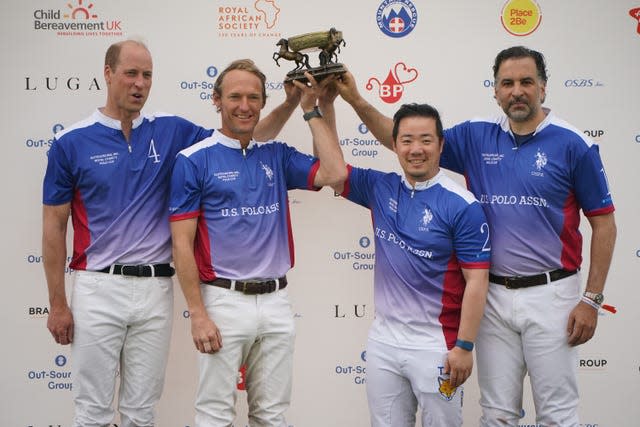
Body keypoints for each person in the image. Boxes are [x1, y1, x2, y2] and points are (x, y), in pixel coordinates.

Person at [334, 46, 617, 426]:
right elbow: (407, 139)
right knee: (497, 412)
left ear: (544, 88)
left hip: (553, 296)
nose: (517, 91)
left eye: (526, 82)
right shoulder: (476, 137)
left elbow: (604, 222)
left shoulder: (573, 144)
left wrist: (592, 300)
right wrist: (354, 99)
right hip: (493, 296)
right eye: (507, 83)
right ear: (496, 91)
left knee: (558, 414)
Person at [42, 39, 300, 427]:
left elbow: (243, 132)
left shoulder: (172, 131)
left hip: (155, 289)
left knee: (142, 413)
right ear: (108, 74)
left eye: (147, 75)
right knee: (92, 413)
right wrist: (58, 303)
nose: (139, 83)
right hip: (96, 288)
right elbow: (54, 227)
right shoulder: (70, 142)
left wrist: (291, 102)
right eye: (130, 73)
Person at [168, 60, 346, 426]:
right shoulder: (193, 160)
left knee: (272, 415)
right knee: (215, 415)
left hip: (277, 302)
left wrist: (312, 108)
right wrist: (198, 314)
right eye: (235, 96)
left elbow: (335, 172)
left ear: (264, 102)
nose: (244, 105)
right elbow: (181, 245)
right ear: (216, 100)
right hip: (222, 301)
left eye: (253, 97)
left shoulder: (276, 155)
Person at [323, 95, 490, 426]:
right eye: (407, 140)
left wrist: (464, 347)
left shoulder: (463, 205)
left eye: (426, 140)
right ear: (395, 145)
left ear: (441, 145)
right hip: (384, 343)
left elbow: (477, 281)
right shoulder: (380, 187)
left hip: (436, 346)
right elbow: (333, 170)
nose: (416, 149)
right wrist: (322, 107)